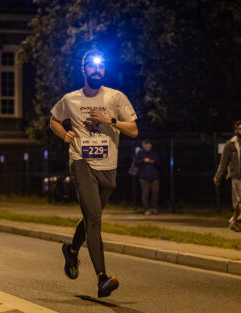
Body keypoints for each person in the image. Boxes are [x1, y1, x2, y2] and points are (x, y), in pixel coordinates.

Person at [49, 49, 138, 298]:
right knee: (95, 220)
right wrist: (63, 133)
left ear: (104, 70)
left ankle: (72, 250)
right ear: (83, 70)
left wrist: (110, 121)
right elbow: (53, 120)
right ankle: (102, 278)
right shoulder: (70, 99)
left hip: (108, 167)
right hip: (81, 162)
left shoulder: (116, 97)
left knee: (92, 216)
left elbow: (133, 130)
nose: (96, 70)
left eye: (100, 67)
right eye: (91, 66)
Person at [135, 139, 160, 215]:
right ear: (144, 145)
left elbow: (159, 163)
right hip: (144, 177)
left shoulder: (154, 153)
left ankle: (153, 207)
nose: (149, 146)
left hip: (154, 176)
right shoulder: (140, 153)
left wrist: (154, 161)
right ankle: (146, 209)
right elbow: (136, 162)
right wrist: (143, 160)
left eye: (150, 145)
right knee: (145, 193)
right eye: (147, 145)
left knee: (156, 191)